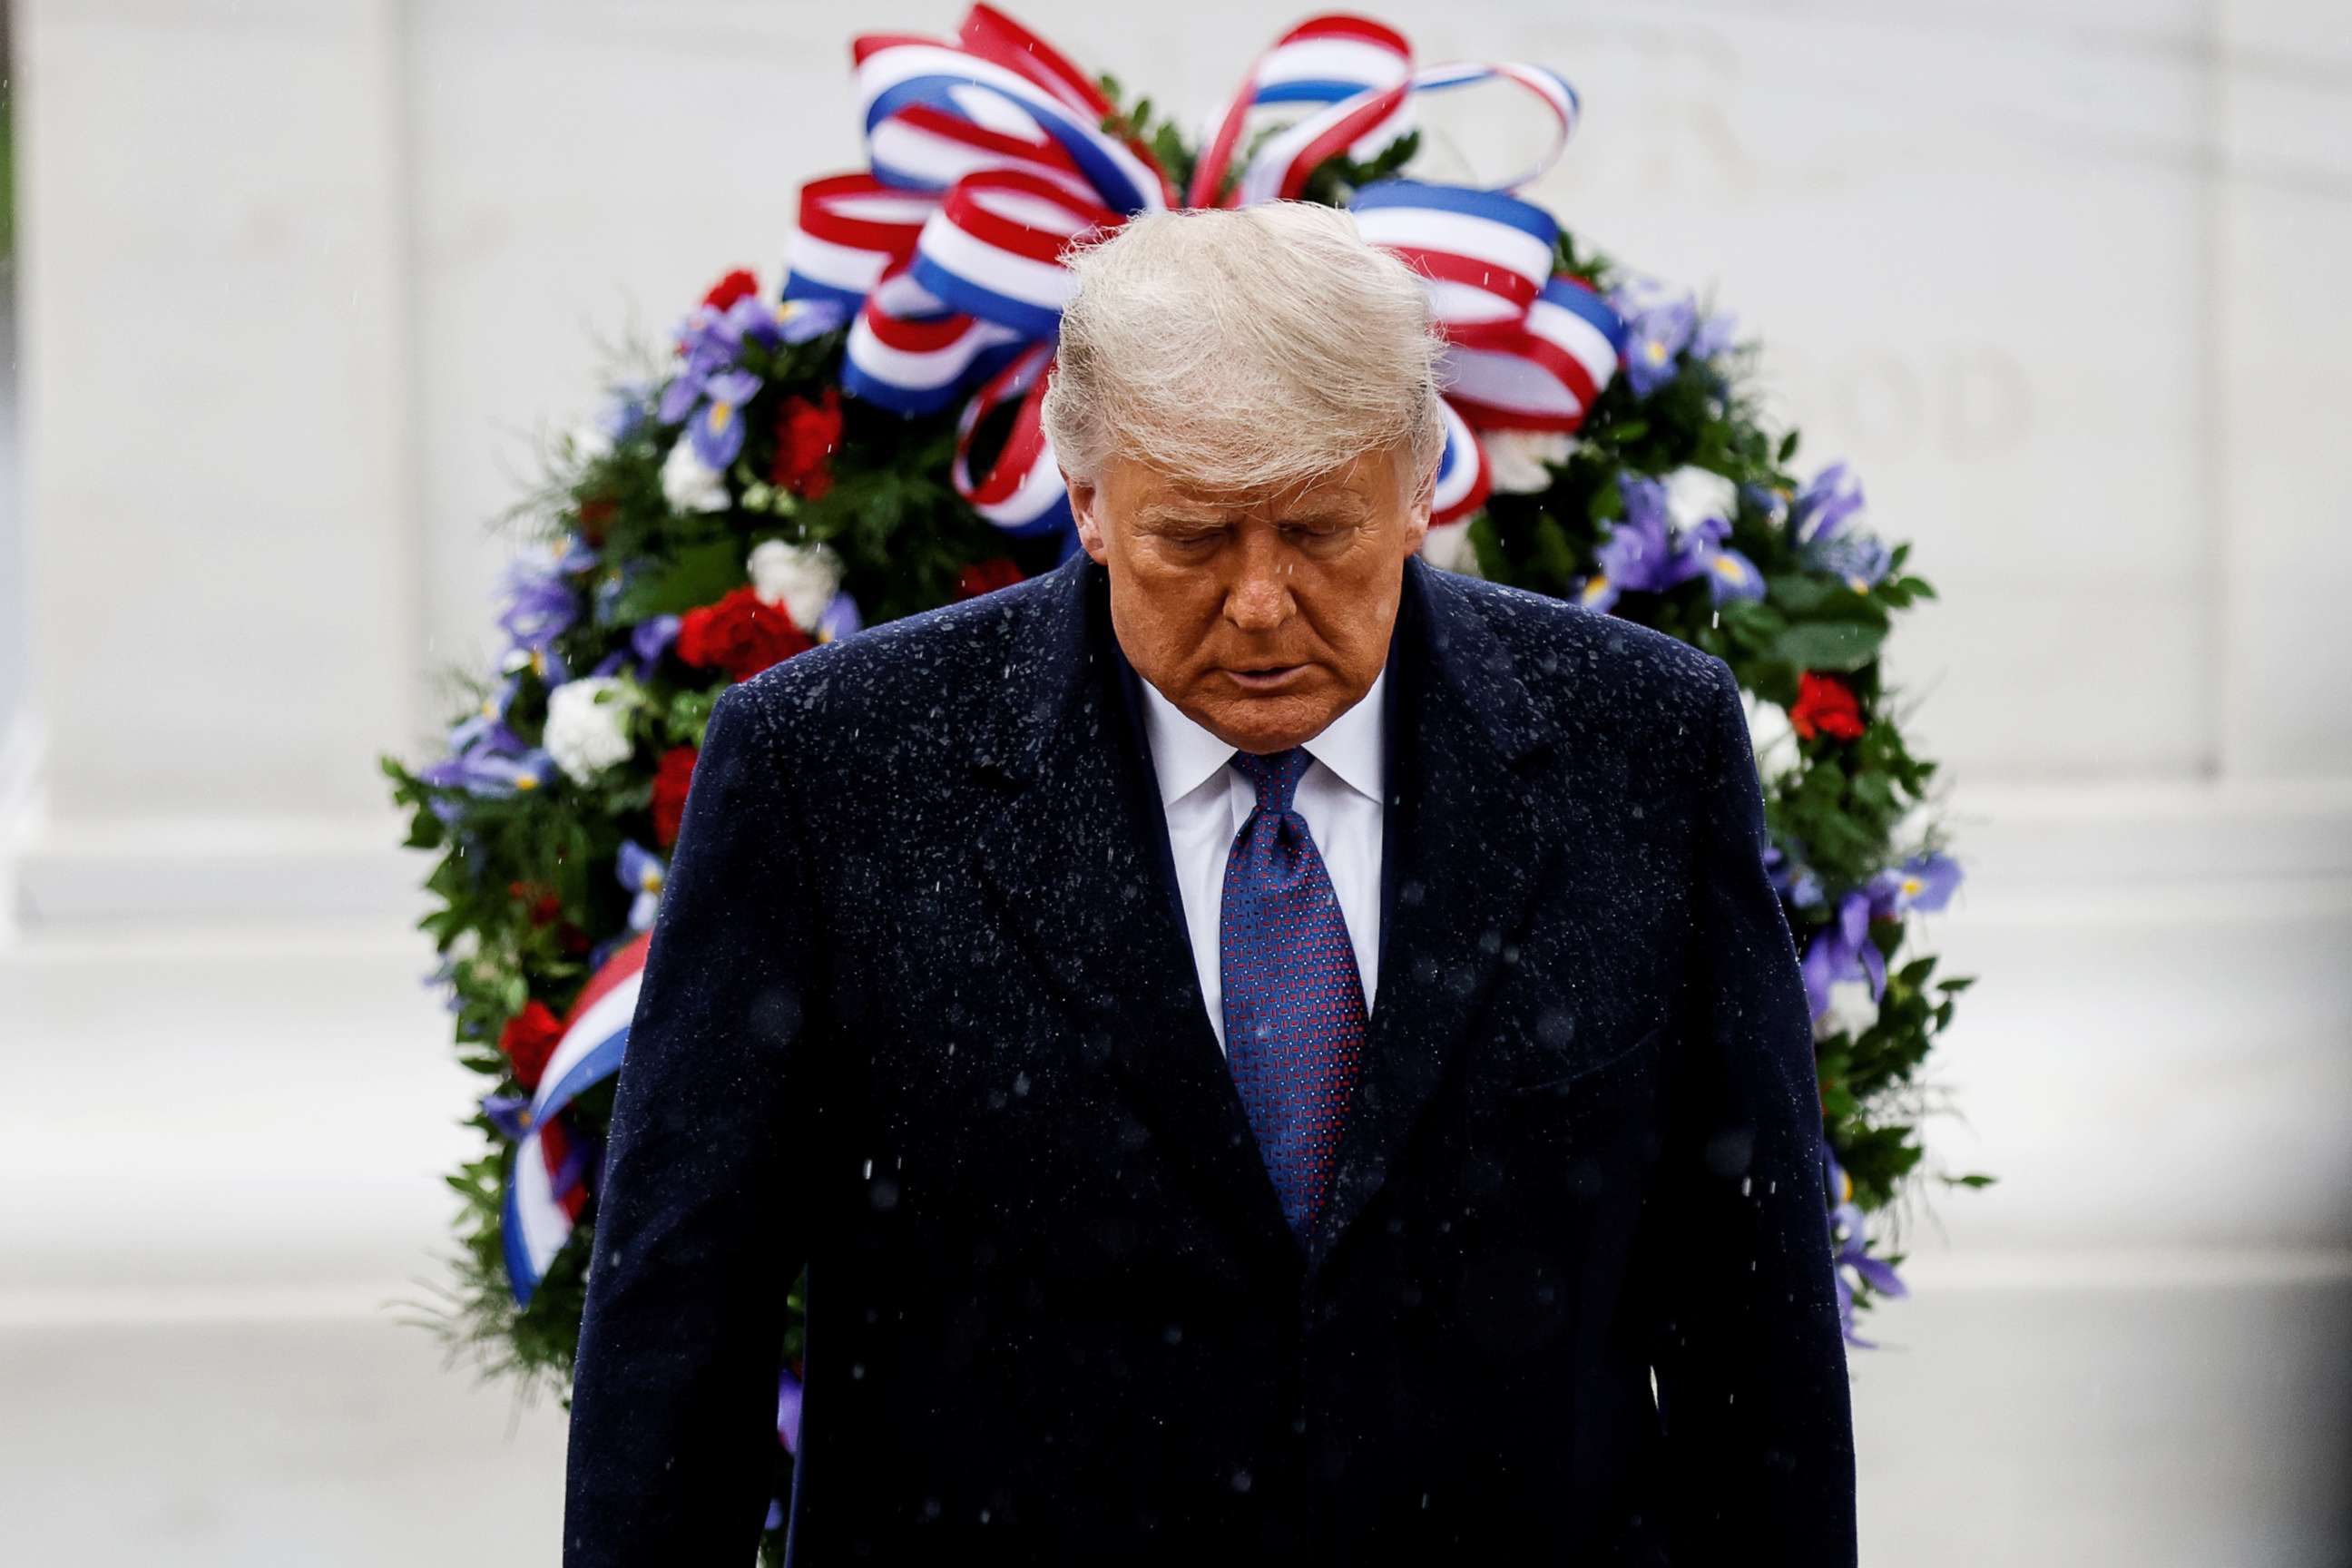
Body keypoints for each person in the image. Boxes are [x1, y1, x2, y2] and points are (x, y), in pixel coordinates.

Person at [562, 201, 1857, 1565]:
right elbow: (680, 1331)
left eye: (1317, 531)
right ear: (1086, 499)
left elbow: (1749, 1318)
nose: (1257, 601)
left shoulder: (1642, 746)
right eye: (1192, 536)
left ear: (1420, 486)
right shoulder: (830, 774)